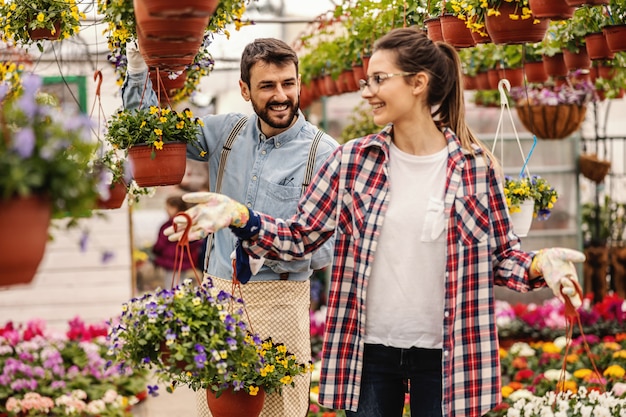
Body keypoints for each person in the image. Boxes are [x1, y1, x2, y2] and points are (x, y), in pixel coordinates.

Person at [164, 27, 586, 417]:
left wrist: (540, 264)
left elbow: (501, 258)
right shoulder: (351, 162)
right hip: (368, 355)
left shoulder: (475, 169)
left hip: (449, 355)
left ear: (418, 83)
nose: (367, 91)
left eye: (379, 79)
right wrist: (242, 216)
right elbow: (301, 237)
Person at [122, 38, 338, 417]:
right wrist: (140, 72)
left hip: (281, 304)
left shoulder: (322, 153)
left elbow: (324, 249)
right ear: (244, 89)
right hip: (219, 298)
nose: (281, 95)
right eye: (267, 86)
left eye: (288, 83)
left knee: (279, 410)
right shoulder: (227, 133)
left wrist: (255, 241)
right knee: (217, 410)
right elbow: (155, 132)